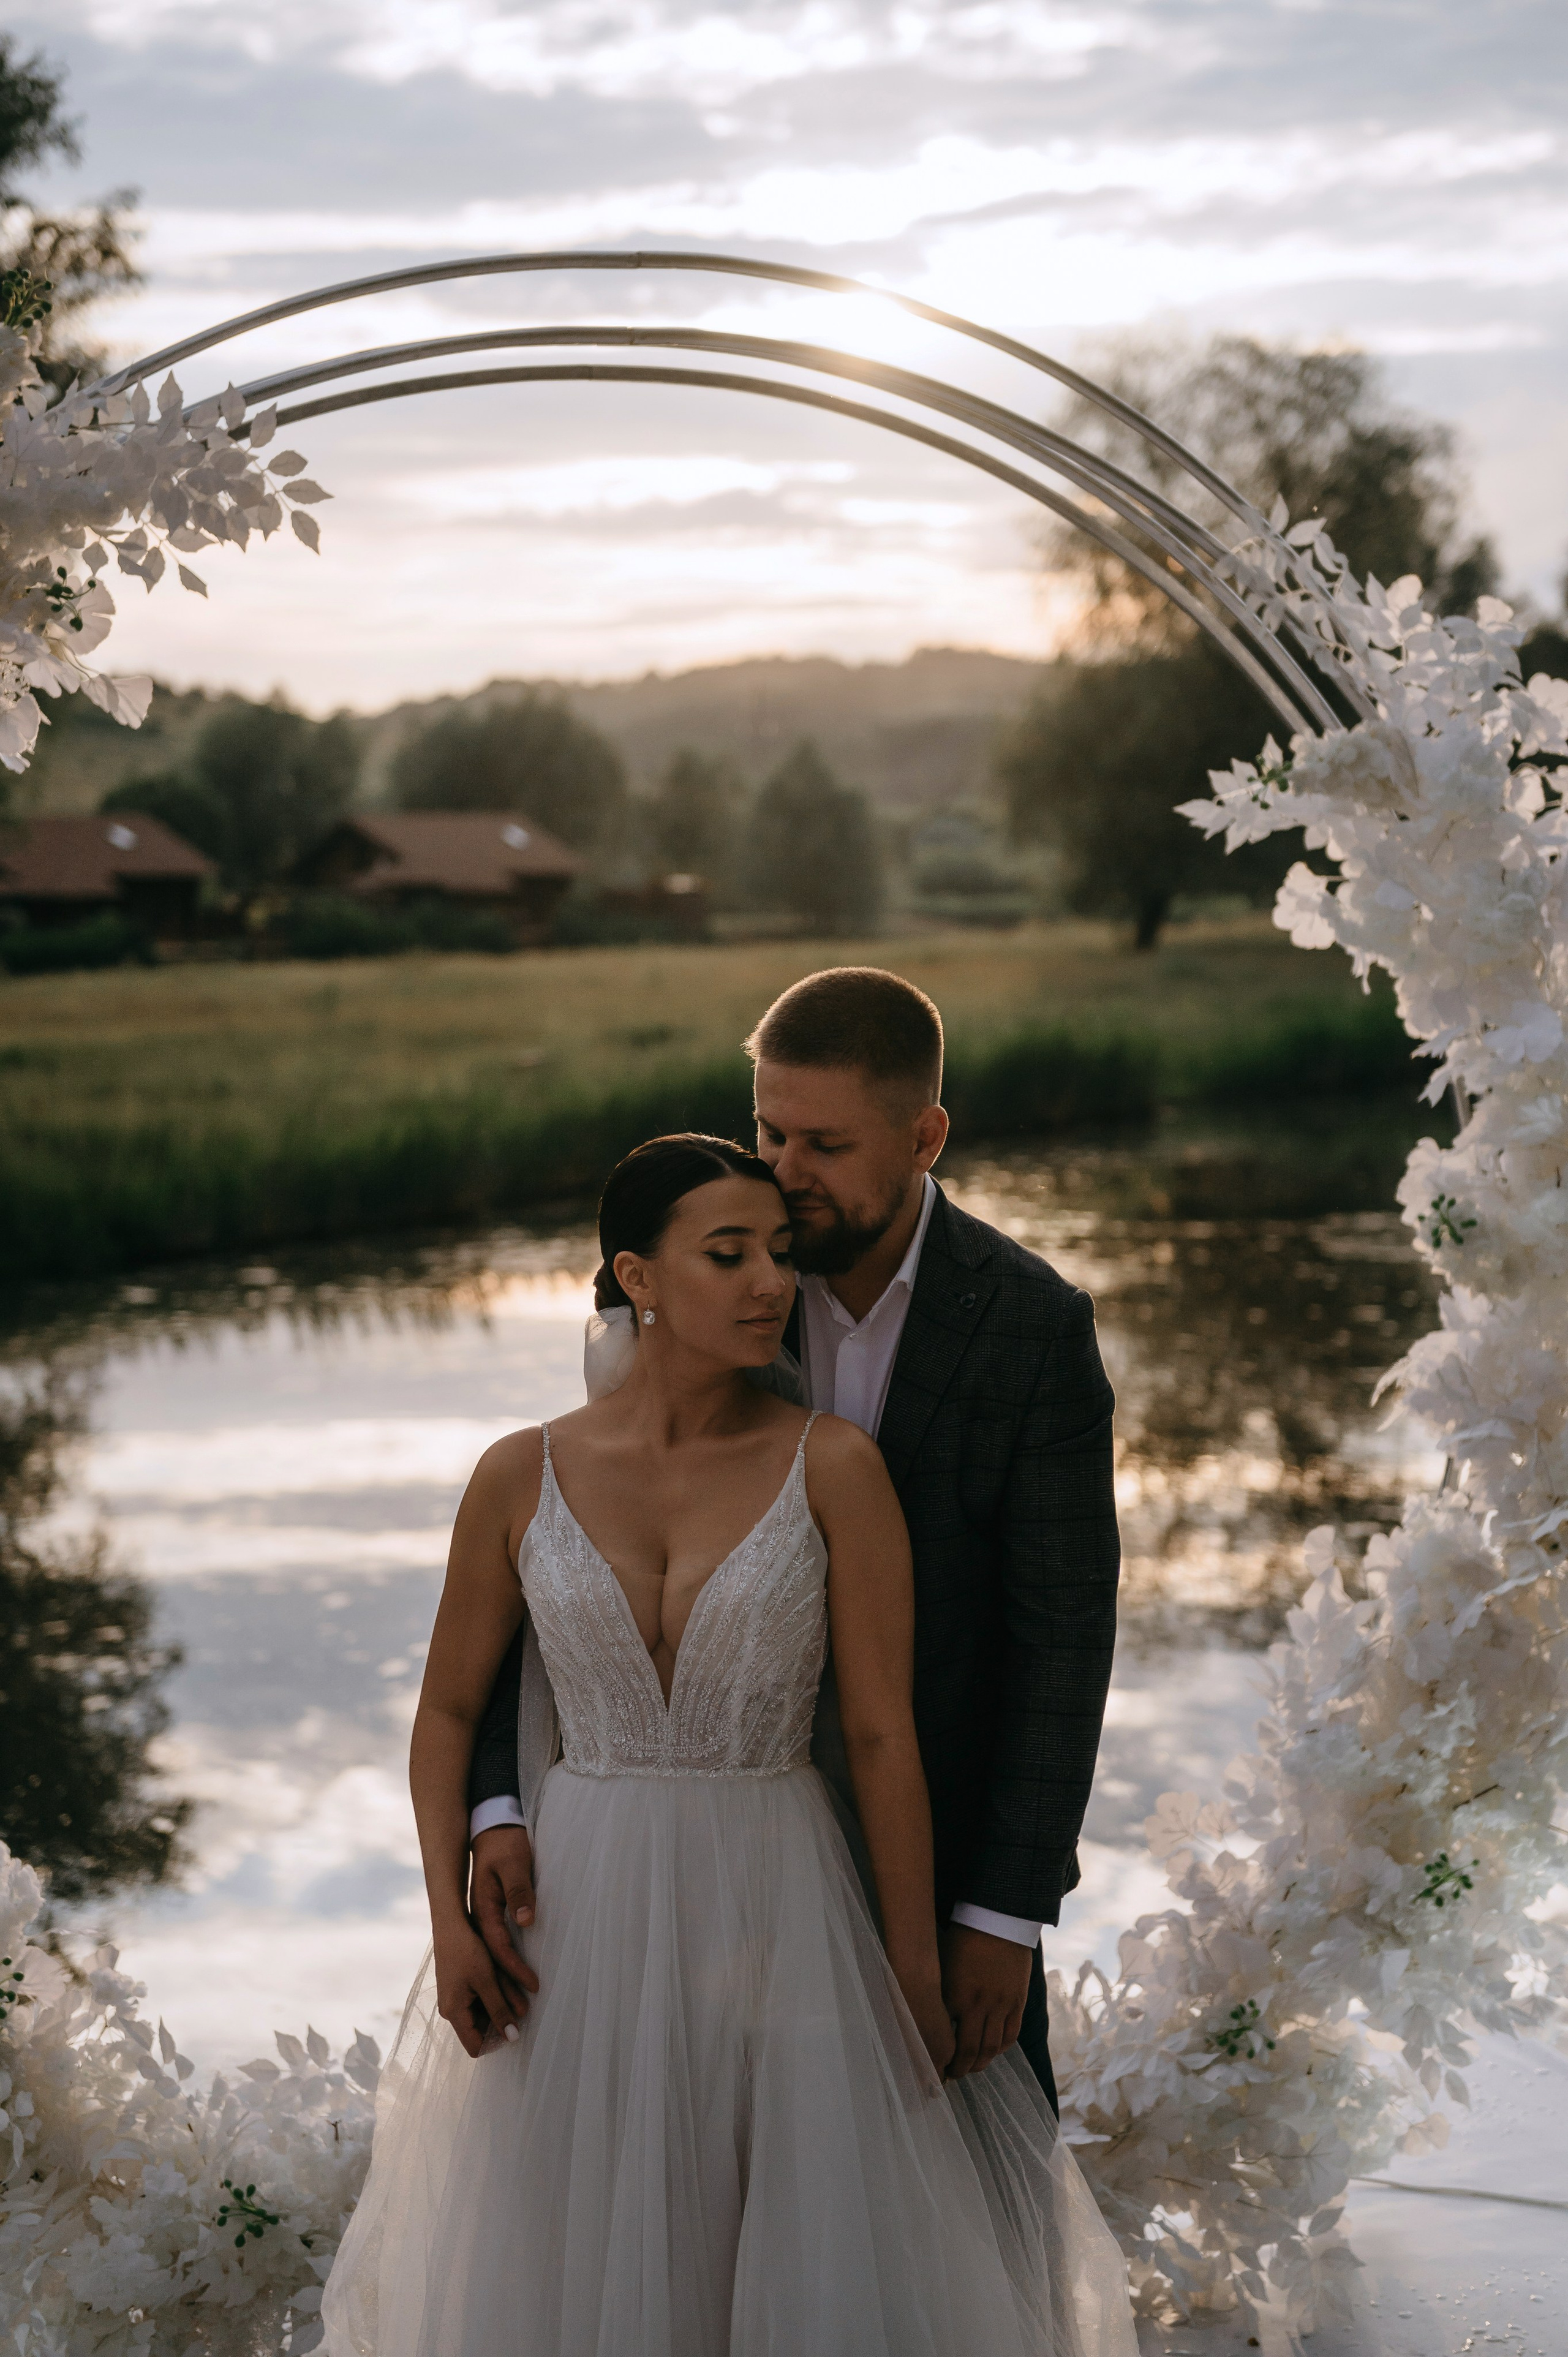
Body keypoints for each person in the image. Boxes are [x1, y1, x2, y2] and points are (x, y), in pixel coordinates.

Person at [322, 1131, 1134, 2356]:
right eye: (728, 1254)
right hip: (579, 1910)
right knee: (584, 2232)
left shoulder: (833, 1468)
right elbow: (445, 1712)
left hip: (781, 1887)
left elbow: (879, 1733)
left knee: (792, 2220)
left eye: (777, 1252)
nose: (770, 1282)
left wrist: (907, 1973)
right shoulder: (515, 1473)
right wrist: (449, 1919)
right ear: (636, 1277)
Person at [464, 968, 1121, 2108]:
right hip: (669, 1877)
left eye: (822, 1142)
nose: (781, 1170)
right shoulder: (689, 1269)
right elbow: (559, 1563)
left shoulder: (1032, 1330)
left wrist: (1002, 1916)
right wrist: (497, 1809)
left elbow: (1062, 1646)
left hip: (941, 1852)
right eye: (767, 1127)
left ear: (925, 1137)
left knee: (947, 2223)